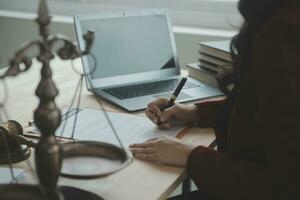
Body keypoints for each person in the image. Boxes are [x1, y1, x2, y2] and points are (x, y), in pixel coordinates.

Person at [129, 0, 300, 199]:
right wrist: (195, 112)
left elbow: (289, 186)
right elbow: (265, 105)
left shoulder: (283, 32)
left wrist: (191, 155)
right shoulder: (280, 16)